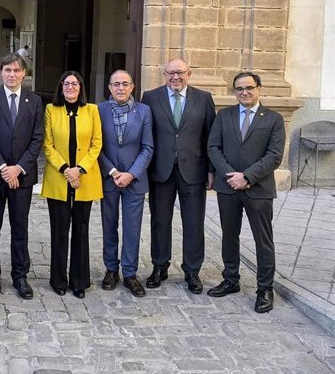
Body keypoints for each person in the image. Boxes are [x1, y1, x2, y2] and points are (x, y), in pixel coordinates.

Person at [207, 71, 285, 313]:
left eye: (249, 87)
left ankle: (265, 288)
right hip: (228, 187)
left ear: (259, 88)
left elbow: (274, 156)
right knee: (229, 235)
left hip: (258, 189)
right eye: (239, 88)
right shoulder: (224, 115)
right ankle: (231, 279)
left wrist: (248, 176)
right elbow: (213, 147)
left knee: (263, 240)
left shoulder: (273, 119)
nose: (244, 92)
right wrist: (231, 175)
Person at [141, 58, 216, 294]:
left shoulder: (204, 99)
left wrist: (212, 170)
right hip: (160, 171)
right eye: (171, 73)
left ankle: (192, 271)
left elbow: (211, 138)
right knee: (160, 221)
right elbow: (146, 134)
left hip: (193, 171)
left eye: (180, 72)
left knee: (193, 223)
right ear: (164, 74)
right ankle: (159, 266)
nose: (176, 77)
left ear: (189, 73)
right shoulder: (150, 98)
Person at [0, 53, 44, 300]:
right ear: (1, 73)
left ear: (24, 73)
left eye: (16, 70)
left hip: (22, 177)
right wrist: (4, 168)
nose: (11, 75)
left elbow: (37, 139)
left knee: (20, 226)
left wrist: (19, 168)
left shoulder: (34, 101)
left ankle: (20, 275)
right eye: (7, 70)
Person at [41, 71, 103, 298]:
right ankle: (58, 279)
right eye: (66, 83)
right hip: (59, 177)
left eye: (74, 83)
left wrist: (80, 168)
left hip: (84, 179)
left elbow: (97, 143)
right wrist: (66, 169)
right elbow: (47, 145)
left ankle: (79, 280)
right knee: (59, 230)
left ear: (81, 87)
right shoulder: (51, 110)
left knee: (81, 229)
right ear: (60, 87)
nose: (70, 87)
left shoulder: (92, 110)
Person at [99, 70, 154, 297]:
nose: (120, 88)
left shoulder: (144, 111)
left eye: (125, 84)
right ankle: (111, 270)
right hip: (109, 178)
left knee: (132, 228)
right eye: (116, 84)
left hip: (134, 180)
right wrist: (112, 171)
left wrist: (131, 174)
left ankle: (130, 273)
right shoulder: (98, 110)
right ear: (109, 87)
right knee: (109, 226)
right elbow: (95, 145)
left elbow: (148, 147)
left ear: (132, 87)